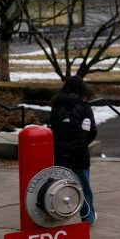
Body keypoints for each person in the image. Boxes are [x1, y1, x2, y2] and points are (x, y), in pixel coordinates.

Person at [48, 76, 98, 224]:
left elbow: (53, 128)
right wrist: (82, 143)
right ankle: (87, 217)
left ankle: (57, 215)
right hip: (79, 155)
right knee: (83, 188)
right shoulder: (84, 106)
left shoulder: (56, 106)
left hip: (59, 155)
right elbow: (92, 132)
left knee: (57, 186)